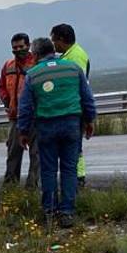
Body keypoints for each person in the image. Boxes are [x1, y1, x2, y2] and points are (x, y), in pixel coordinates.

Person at [17, 37, 96, 228]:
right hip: (71, 125)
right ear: (53, 51)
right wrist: (90, 120)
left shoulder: (32, 75)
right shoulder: (73, 68)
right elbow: (87, 97)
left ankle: (50, 212)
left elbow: (25, 107)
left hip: (46, 127)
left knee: (48, 170)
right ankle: (67, 212)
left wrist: (23, 131)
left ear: (35, 55)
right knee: (69, 170)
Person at [50, 23, 90, 187]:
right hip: (72, 108)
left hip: (74, 109)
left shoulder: (75, 56)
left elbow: (76, 83)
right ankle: (76, 177)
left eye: (54, 41)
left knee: (75, 146)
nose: (53, 45)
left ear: (61, 39)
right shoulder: (68, 55)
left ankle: (78, 178)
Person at [0, 33, 39, 188]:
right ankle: (10, 188)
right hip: (15, 117)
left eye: (21, 46)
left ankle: (32, 189)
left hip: (35, 117)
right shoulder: (8, 66)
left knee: (36, 155)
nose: (18, 50)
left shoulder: (36, 63)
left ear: (28, 46)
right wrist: (6, 101)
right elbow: (1, 86)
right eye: (15, 48)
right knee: (13, 154)